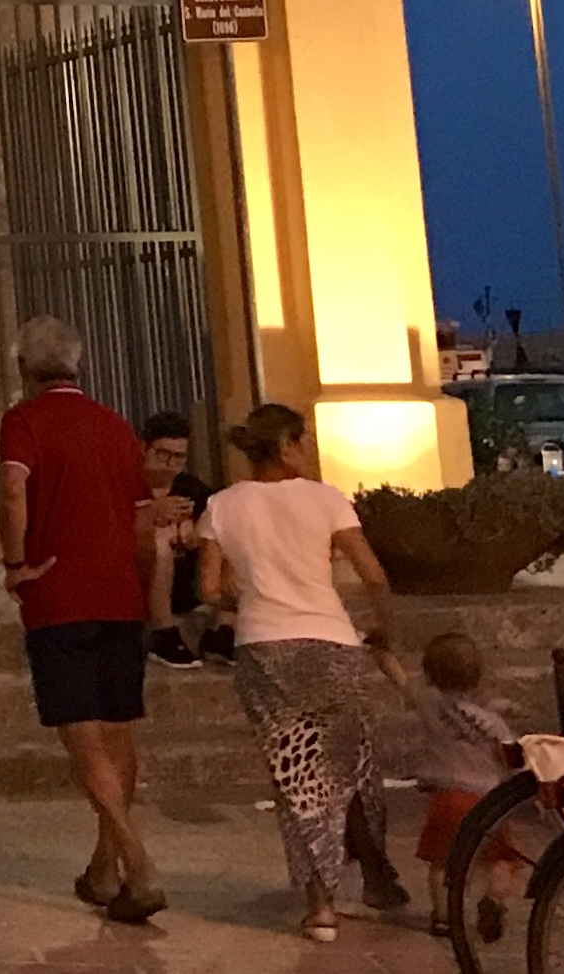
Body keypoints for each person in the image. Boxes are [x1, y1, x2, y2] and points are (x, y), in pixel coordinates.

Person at [199, 401, 408, 942]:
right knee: (351, 766)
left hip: (264, 649)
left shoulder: (221, 506)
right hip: (332, 642)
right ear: (286, 446)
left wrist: (246, 596)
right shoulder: (326, 499)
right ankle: (375, 876)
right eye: (303, 440)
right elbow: (374, 576)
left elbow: (209, 588)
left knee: (297, 777)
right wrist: (386, 633)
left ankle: (321, 904)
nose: (309, 450)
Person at [0, 314, 166, 925]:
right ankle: (103, 867)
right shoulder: (116, 426)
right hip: (119, 594)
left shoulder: (23, 422)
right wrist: (141, 586)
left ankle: (138, 864)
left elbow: (14, 491)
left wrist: (15, 563)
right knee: (118, 733)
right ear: (79, 363)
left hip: (59, 595)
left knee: (82, 737)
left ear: (24, 368)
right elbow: (143, 523)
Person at [406, 630, 518, 939]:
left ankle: (443, 917)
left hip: (448, 798)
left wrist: (383, 655)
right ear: (478, 675)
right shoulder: (493, 721)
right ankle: (494, 899)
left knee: (442, 862)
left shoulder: (430, 705)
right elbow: (511, 756)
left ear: (429, 674)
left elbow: (402, 683)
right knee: (501, 860)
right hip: (490, 800)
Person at [140, 410, 233, 669]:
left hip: (189, 583)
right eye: (163, 454)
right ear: (145, 449)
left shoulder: (192, 489)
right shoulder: (126, 486)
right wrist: (151, 516)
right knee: (161, 539)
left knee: (232, 536)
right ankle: (163, 631)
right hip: (142, 579)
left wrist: (198, 534)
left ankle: (224, 627)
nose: (170, 463)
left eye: (179, 456)